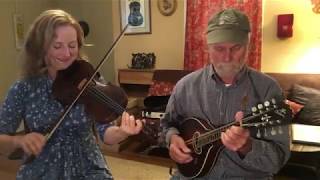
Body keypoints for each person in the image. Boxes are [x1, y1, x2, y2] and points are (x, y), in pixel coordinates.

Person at [0, 9, 143, 180]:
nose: (67, 54)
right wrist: (19, 141)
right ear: (40, 47)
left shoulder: (88, 79)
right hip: (43, 171)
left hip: (88, 167)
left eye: (72, 45)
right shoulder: (24, 88)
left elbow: (106, 133)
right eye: (57, 46)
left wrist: (122, 132)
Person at [161, 8, 291, 179]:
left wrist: (247, 146)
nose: (227, 57)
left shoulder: (268, 89)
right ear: (208, 47)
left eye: (236, 47)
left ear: (248, 45)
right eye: (219, 48)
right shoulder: (185, 86)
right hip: (192, 175)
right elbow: (166, 124)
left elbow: (278, 160)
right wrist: (172, 138)